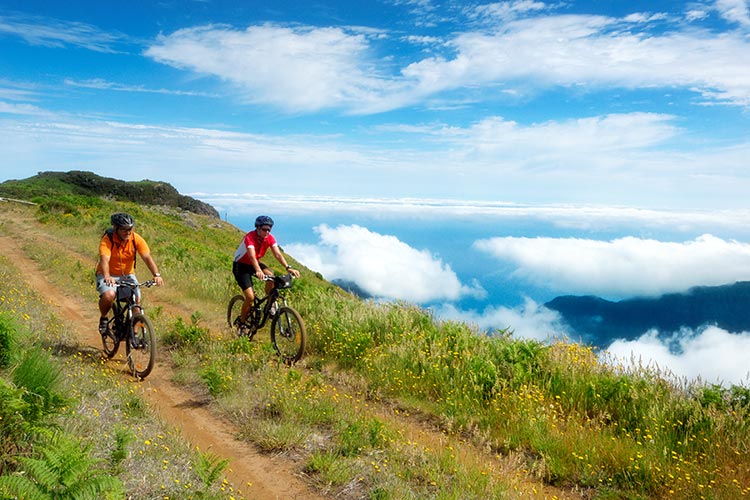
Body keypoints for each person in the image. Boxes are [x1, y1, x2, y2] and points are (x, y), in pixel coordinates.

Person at [95, 212, 164, 335]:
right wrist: (107, 276)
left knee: (136, 303)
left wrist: (156, 275)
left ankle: (134, 334)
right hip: (107, 274)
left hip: (127, 274)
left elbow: (147, 257)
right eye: (124, 229)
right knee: (109, 295)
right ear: (116, 229)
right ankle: (104, 318)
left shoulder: (135, 239)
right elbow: (104, 259)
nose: (128, 232)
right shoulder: (107, 240)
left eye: (130, 229)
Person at [232, 215, 300, 330]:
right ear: (257, 228)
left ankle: (269, 305)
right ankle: (242, 323)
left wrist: (288, 267)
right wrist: (258, 270)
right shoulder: (250, 237)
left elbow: (277, 254)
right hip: (241, 266)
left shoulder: (270, 238)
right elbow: (251, 256)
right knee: (250, 297)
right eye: (264, 229)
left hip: (255, 264)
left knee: (271, 277)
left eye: (269, 229)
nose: (267, 232)